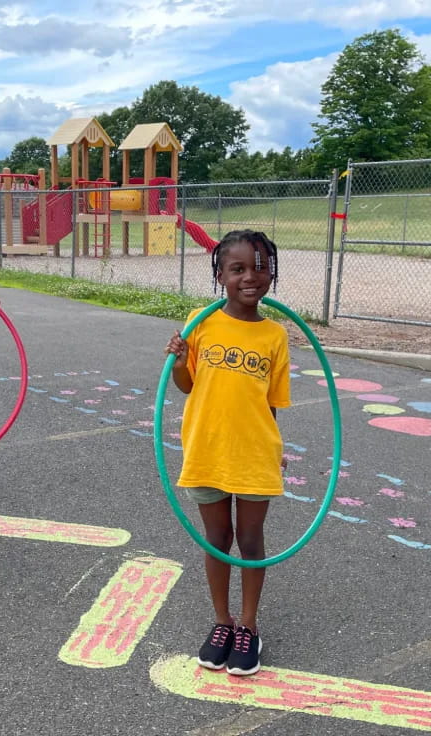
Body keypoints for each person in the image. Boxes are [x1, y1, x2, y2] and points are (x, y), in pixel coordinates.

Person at [164, 229, 291, 676]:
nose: (250, 277)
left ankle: (249, 627)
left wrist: (275, 448)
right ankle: (222, 621)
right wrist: (180, 359)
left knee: (251, 541)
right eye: (238, 268)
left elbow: (271, 402)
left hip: (255, 452)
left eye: (260, 267)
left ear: (271, 274)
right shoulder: (201, 320)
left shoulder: (276, 335)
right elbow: (186, 385)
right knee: (217, 541)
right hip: (207, 449)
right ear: (220, 274)